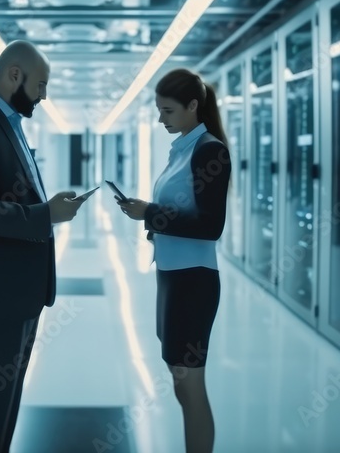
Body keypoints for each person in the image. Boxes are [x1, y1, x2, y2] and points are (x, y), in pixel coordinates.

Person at [0, 40, 86, 453]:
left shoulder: (6, 123)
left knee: (4, 407)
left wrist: (46, 208)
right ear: (14, 75)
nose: (44, 96)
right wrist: (46, 216)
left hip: (17, 296)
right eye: (40, 85)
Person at [118, 69, 230, 453]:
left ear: (193, 107)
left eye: (167, 111)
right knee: (182, 384)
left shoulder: (209, 150)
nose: (160, 119)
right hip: (172, 278)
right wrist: (156, 222)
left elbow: (210, 225)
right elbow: (185, 214)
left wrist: (151, 214)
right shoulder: (183, 147)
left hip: (193, 282)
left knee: (191, 387)